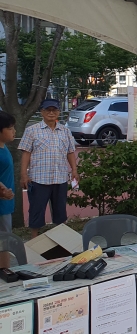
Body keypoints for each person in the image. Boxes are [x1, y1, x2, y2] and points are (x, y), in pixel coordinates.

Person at [19, 99, 79, 237]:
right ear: (42, 112)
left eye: (54, 110)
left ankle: (61, 239)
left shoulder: (65, 131)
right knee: (36, 210)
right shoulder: (32, 131)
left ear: (59, 112)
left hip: (60, 178)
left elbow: (70, 152)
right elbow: (26, 153)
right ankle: (34, 240)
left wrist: (74, 170)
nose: (51, 113)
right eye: (48, 110)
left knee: (60, 212)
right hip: (39, 179)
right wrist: (23, 174)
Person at [0, 112, 16, 269]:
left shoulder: (4, 148)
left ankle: (5, 270)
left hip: (6, 205)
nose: (14, 131)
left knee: (5, 240)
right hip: (1, 205)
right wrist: (2, 190)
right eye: (10, 128)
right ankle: (4, 271)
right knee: (3, 241)